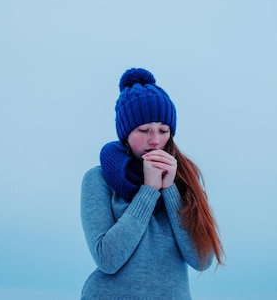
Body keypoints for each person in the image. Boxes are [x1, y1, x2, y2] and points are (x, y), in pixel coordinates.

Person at [80, 67, 224, 299]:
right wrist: (148, 190)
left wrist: (169, 190)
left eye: (163, 130)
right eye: (144, 130)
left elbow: (201, 260)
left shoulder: (186, 179)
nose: (156, 140)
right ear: (125, 133)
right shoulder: (99, 179)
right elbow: (107, 258)